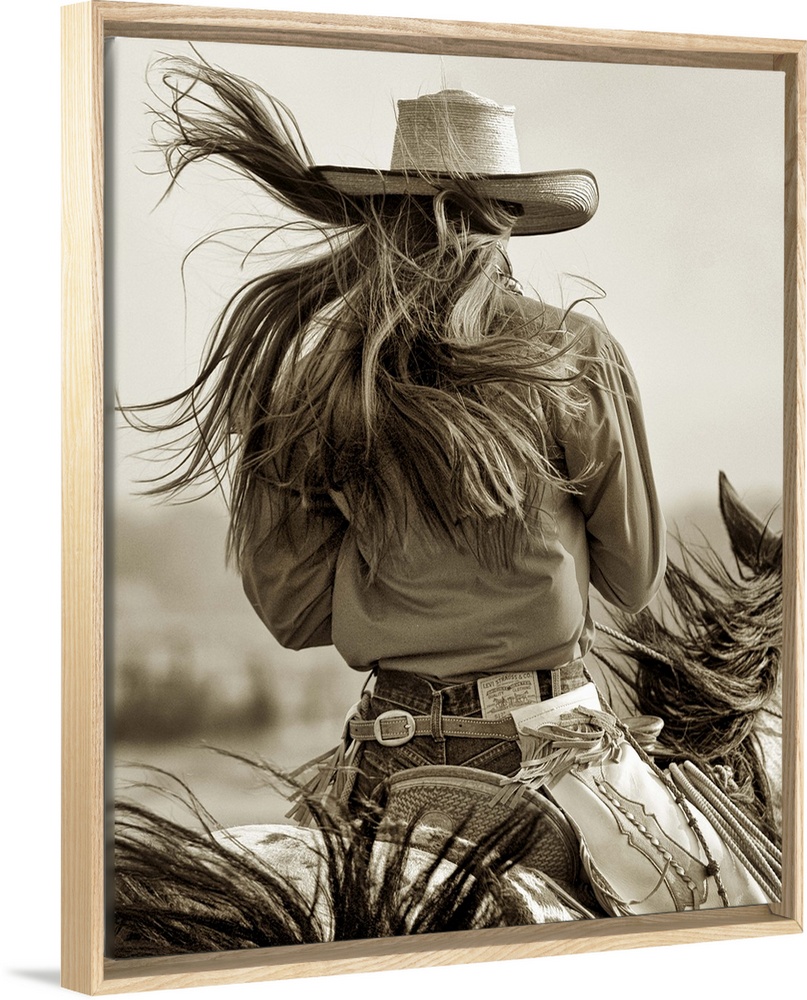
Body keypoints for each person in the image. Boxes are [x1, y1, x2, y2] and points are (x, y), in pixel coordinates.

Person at [133, 55, 666, 817]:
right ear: (505, 218)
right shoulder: (570, 350)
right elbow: (632, 578)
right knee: (694, 874)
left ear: (386, 214)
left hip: (391, 742)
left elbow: (293, 614)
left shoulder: (313, 376)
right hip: (545, 741)